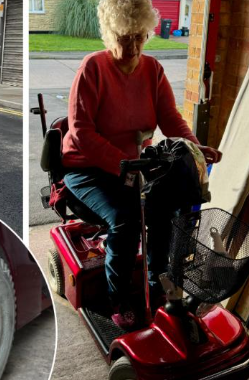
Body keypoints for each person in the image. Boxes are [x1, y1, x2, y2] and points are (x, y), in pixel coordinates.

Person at [62, 0, 223, 329]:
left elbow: (170, 119)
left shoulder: (153, 70)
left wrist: (194, 148)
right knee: (126, 218)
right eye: (125, 37)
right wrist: (122, 164)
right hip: (87, 168)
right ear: (110, 33)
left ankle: (157, 286)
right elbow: (81, 133)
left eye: (140, 36)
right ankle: (118, 298)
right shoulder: (92, 68)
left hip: (135, 166)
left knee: (162, 212)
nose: (133, 45)